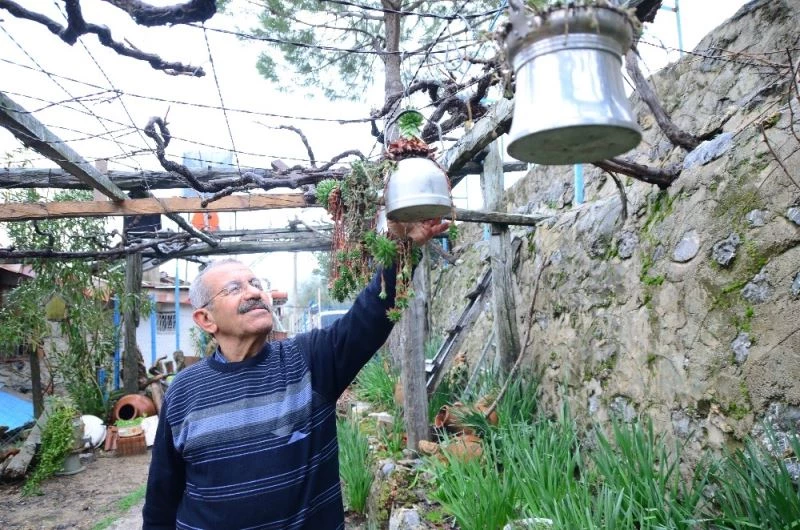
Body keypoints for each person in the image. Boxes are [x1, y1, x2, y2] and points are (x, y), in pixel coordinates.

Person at [142, 219, 449, 530]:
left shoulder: (309, 360)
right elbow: (161, 499)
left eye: (256, 284)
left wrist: (401, 248)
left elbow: (368, 319)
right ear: (206, 319)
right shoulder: (183, 391)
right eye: (235, 288)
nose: (254, 292)